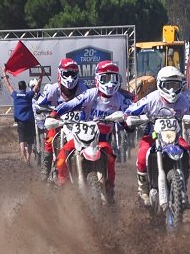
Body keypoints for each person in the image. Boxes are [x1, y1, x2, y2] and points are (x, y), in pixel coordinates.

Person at [52, 61, 131, 203]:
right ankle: (62, 183)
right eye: (105, 78)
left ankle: (110, 187)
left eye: (113, 78)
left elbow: (130, 113)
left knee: (111, 158)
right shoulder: (90, 94)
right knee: (63, 153)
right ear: (98, 79)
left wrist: (128, 122)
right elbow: (70, 104)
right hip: (81, 137)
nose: (110, 83)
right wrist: (54, 114)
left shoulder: (120, 99)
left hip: (102, 140)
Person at [125, 66, 190, 207]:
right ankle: (143, 190)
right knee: (142, 155)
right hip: (152, 136)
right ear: (160, 84)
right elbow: (130, 110)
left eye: (175, 85)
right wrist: (131, 118)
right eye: (168, 85)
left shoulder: (183, 100)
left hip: (174, 137)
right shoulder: (151, 99)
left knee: (187, 150)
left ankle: (183, 188)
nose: (171, 90)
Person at [34, 58, 89, 181]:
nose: (70, 77)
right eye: (67, 73)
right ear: (60, 73)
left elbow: (92, 102)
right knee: (49, 140)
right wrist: (44, 109)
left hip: (78, 124)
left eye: (73, 74)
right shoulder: (53, 89)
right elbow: (38, 104)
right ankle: (46, 168)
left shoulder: (83, 88)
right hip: (58, 123)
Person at [3, 74, 40, 165]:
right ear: (25, 87)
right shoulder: (28, 95)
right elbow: (37, 87)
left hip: (20, 122)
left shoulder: (15, 95)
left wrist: (5, 77)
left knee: (22, 141)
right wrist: (41, 76)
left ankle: (24, 159)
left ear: (19, 87)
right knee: (30, 142)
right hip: (30, 121)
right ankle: (28, 158)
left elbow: (9, 86)